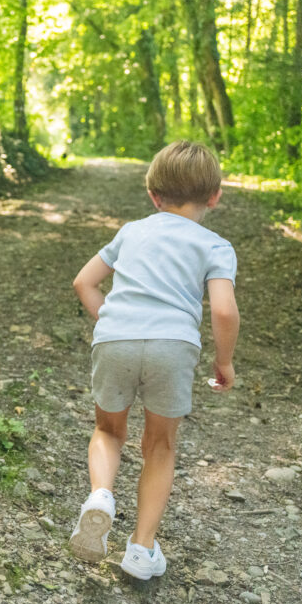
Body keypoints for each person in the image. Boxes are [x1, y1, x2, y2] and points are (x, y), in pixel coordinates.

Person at [69, 141, 240, 580]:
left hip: (116, 339)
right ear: (215, 196)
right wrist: (224, 362)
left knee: (108, 430)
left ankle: (101, 496)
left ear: (153, 195)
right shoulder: (216, 246)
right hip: (172, 346)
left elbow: (84, 282)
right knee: (160, 446)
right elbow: (223, 311)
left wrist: (113, 320)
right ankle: (141, 550)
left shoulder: (132, 232)